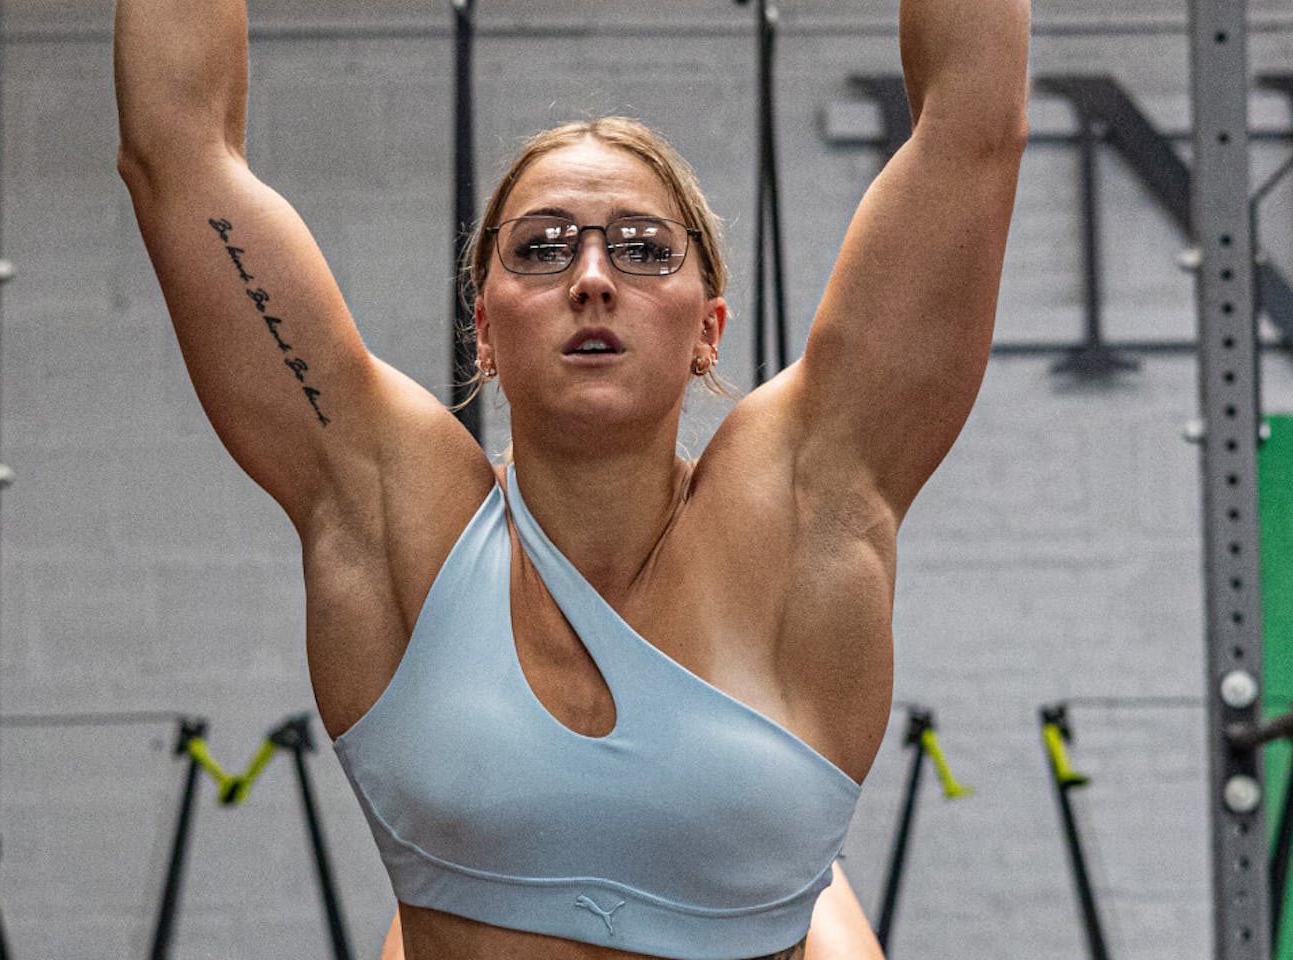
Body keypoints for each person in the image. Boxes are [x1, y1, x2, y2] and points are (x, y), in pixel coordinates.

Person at [114, 0, 1029, 957]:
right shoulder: (392, 513)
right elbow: (174, 150)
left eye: (643, 249)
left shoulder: (805, 504)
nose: (591, 278)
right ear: (484, 329)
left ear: (707, 329)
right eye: (542, 248)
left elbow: (973, 127)